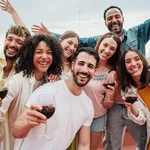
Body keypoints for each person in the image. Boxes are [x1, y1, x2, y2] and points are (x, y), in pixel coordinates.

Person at [12, 47, 99, 150]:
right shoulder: (46, 91)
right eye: (81, 63)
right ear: (72, 65)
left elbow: (84, 145)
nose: (84, 70)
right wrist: (27, 124)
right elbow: (16, 132)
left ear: (95, 71)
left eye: (90, 66)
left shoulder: (88, 105)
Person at [0, 34, 63, 150]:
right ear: (30, 55)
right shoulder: (16, 81)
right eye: (39, 52)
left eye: (49, 53)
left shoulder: (51, 81)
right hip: (15, 144)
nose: (45, 57)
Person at [82, 32, 121, 150]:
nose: (107, 50)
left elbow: (107, 104)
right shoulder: (85, 63)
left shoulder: (112, 73)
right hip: (79, 114)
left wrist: (110, 95)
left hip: (98, 116)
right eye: (105, 45)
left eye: (112, 48)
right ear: (99, 44)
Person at [119, 48, 150, 149]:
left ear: (142, 61)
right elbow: (141, 120)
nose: (133, 64)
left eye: (137, 59)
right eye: (128, 61)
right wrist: (132, 108)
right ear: (125, 68)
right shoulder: (127, 91)